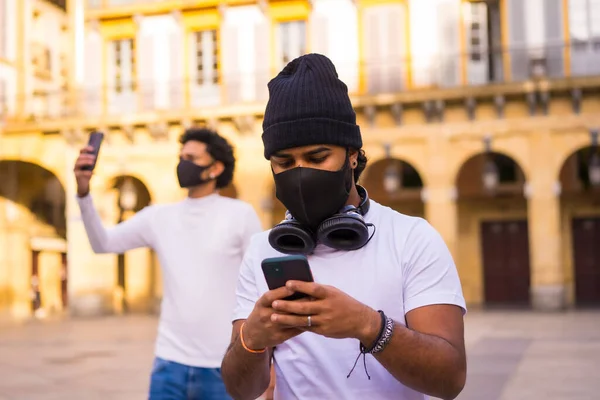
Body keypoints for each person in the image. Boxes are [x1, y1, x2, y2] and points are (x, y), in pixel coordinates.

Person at [221, 54, 467, 400]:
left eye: (318, 157)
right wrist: (252, 340)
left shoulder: (412, 238)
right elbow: (240, 390)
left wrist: (368, 326)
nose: (301, 172)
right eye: (285, 162)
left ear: (352, 154)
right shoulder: (263, 250)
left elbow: (450, 378)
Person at [73, 128, 263, 400]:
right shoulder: (158, 217)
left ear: (215, 168)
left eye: (191, 157)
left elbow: (259, 283)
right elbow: (102, 243)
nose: (182, 164)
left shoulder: (241, 215)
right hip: (169, 363)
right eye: (181, 156)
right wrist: (83, 194)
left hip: (223, 365)